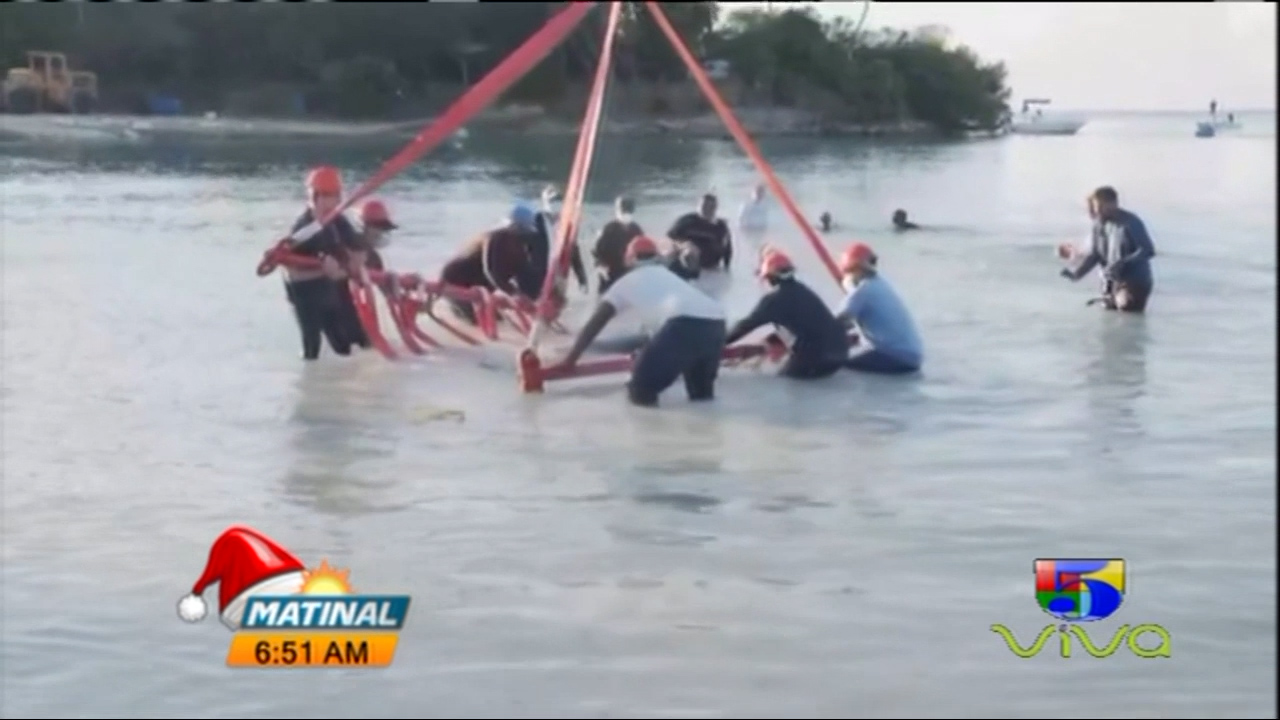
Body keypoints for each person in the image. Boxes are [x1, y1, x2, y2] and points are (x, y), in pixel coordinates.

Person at [557, 236, 727, 407]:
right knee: (702, 399)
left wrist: (570, 360)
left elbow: (595, 324)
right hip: (716, 324)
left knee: (639, 391)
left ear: (628, 260)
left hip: (683, 325)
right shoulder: (668, 275)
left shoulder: (624, 284)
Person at [724, 249, 849, 380]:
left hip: (815, 359)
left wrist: (720, 342)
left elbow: (745, 326)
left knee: (782, 380)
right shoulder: (804, 290)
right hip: (840, 355)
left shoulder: (775, 299)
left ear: (770, 278)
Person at [284, 166, 363, 360]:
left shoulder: (338, 221)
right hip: (303, 291)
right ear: (314, 197)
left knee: (344, 345)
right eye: (326, 196)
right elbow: (288, 267)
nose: (333, 202)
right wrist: (320, 268)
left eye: (335, 196)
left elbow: (358, 248)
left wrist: (352, 264)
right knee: (312, 347)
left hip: (330, 287)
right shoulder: (303, 228)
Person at [439, 204, 542, 324]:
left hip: (479, 289)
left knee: (498, 321)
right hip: (456, 282)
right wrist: (514, 294)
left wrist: (529, 297)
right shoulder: (496, 238)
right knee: (479, 321)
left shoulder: (520, 248)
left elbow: (523, 274)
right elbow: (492, 271)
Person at [1060, 186, 1156, 313]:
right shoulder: (1098, 224)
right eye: (1096, 207)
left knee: (1126, 308)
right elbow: (1095, 255)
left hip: (1135, 280)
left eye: (1101, 207)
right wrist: (1077, 274)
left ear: (1114, 204)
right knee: (1109, 316)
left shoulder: (1131, 222)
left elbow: (1148, 250)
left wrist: (1122, 262)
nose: (1097, 211)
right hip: (1110, 281)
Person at [836, 242, 924, 375]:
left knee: (835, 363)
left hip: (894, 356)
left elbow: (837, 321)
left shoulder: (863, 290)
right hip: (913, 356)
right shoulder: (882, 283)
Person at [529, 188, 588, 298]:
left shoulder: (566, 226)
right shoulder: (536, 221)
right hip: (537, 273)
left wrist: (582, 280)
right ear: (545, 202)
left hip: (557, 274)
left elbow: (573, 252)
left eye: (558, 201)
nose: (555, 205)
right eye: (551, 201)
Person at [591, 195, 645, 295]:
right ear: (618, 211)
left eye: (629, 211)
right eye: (623, 211)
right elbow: (597, 251)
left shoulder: (636, 229)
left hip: (629, 273)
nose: (626, 214)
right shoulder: (609, 229)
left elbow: (643, 251)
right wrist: (600, 266)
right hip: (610, 272)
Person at [668, 192, 732, 274]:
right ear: (698, 206)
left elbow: (728, 250)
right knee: (689, 252)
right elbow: (669, 238)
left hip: (711, 266)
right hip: (687, 257)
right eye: (704, 206)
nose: (706, 210)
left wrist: (727, 269)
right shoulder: (686, 221)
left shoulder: (721, 226)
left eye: (710, 207)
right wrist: (682, 245)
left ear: (715, 208)